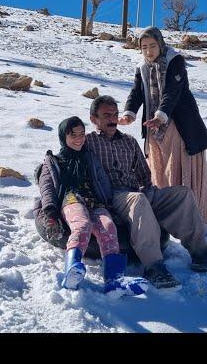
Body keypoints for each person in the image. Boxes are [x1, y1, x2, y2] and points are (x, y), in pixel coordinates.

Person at [86, 95, 207, 289]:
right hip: (112, 196)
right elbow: (67, 164)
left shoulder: (129, 141)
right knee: (138, 200)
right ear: (94, 119)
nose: (113, 119)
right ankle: (153, 266)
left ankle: (201, 253)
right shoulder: (87, 143)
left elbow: (143, 173)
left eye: (115, 114)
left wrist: (154, 196)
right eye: (106, 115)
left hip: (136, 191)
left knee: (182, 194)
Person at [36, 116, 148, 297]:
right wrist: (50, 211)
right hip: (71, 199)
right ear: (63, 136)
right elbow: (46, 187)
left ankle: (114, 280)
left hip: (95, 201)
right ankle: (72, 270)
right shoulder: (53, 161)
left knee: (108, 227)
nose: (79, 138)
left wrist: (111, 204)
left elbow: (102, 180)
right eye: (74, 135)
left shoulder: (89, 158)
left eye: (82, 134)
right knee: (82, 225)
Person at [119, 26, 207, 223]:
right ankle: (166, 212)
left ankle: (189, 215)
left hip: (179, 124)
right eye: (144, 47)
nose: (149, 51)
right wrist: (129, 113)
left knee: (179, 165)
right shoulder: (142, 67)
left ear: (161, 44)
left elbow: (173, 91)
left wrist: (161, 115)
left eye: (153, 46)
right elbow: (136, 93)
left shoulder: (175, 61)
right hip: (154, 126)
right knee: (160, 168)